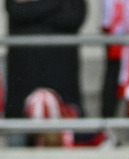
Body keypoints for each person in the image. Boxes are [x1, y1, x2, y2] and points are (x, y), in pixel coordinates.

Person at [4, 0, 87, 141]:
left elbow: (74, 17)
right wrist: (59, 4)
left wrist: (32, 8)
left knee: (66, 153)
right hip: (23, 83)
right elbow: (17, 12)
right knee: (18, 146)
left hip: (63, 81)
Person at [23, 86, 106, 147]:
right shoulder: (29, 144)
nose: (42, 140)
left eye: (45, 133)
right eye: (37, 135)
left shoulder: (83, 136)